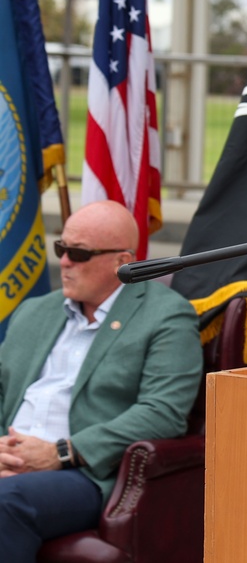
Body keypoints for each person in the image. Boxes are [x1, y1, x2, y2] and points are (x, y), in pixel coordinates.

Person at [0, 200, 202, 560]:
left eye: (78, 253)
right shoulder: (35, 311)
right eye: (62, 248)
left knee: (6, 501)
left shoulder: (166, 315)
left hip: (84, 472)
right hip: (10, 457)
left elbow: (163, 412)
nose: (63, 261)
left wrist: (60, 453)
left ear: (122, 263)